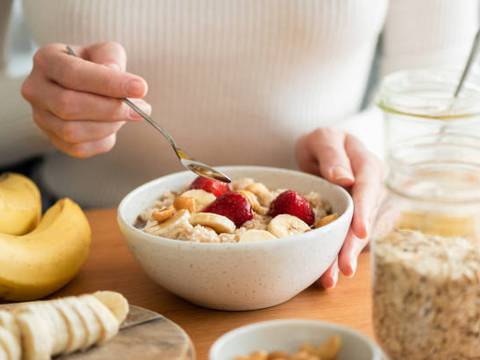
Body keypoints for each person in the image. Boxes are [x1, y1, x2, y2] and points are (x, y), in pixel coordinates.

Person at [0, 0, 477, 289]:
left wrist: (360, 147)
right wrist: (41, 108)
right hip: (81, 250)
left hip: (318, 258)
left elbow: (447, 95)